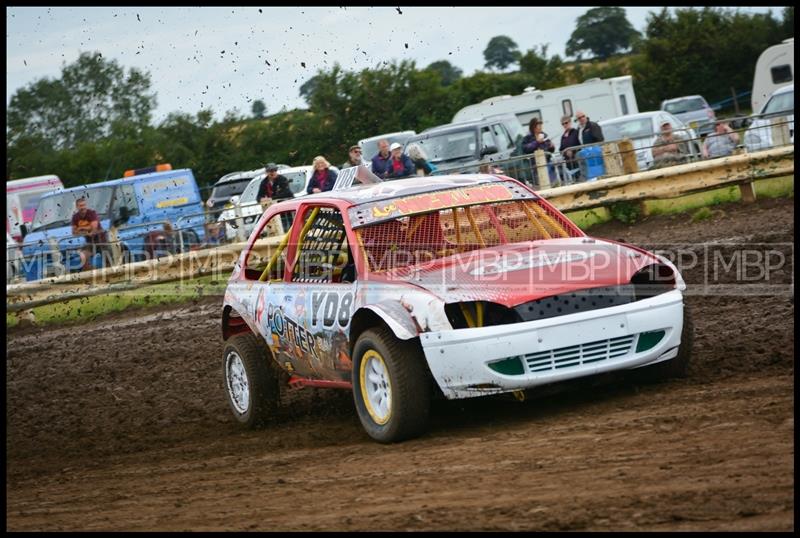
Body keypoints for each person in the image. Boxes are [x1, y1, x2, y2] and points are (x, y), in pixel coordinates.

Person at [70, 197, 109, 271]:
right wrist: (85, 232)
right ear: (77, 207)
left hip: (101, 240)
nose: (83, 207)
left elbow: (94, 227)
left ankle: (111, 271)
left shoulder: (92, 213)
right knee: (83, 256)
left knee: (108, 259)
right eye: (81, 205)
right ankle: (89, 274)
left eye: (84, 205)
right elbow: (74, 232)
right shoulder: (75, 217)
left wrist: (81, 228)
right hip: (89, 242)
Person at [558, 115, 581, 179]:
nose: (565, 125)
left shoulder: (576, 132)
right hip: (568, 162)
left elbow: (580, 144)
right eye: (563, 124)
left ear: (570, 122)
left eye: (566, 123)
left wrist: (573, 151)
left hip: (577, 160)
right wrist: (565, 152)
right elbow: (561, 149)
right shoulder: (563, 136)